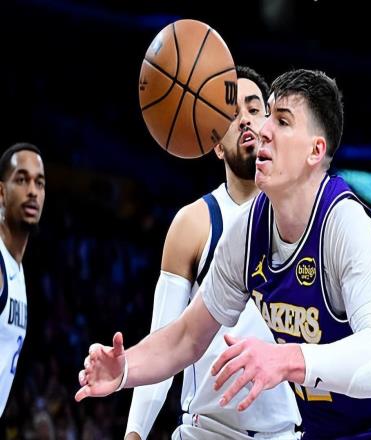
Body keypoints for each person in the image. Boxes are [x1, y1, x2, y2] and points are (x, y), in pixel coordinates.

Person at [76, 69, 371, 439]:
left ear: (315, 151)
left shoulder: (343, 221)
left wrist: (286, 358)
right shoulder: (248, 231)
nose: (263, 129)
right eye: (269, 116)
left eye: (282, 121)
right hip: (320, 432)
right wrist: (125, 369)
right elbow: (186, 338)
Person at [124, 66, 301, 440]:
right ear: (217, 145)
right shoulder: (194, 223)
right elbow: (163, 344)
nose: (245, 120)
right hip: (207, 431)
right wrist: (135, 433)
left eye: (254, 109)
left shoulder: (307, 223)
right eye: (232, 115)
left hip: (285, 433)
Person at [0, 143, 46, 418]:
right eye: (21, 180)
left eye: (39, 183)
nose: (32, 191)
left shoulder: (16, 266)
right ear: (1, 193)